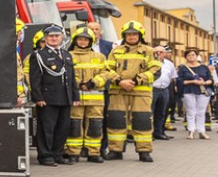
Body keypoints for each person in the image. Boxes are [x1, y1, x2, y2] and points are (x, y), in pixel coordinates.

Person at [104, 21, 160, 161]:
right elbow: (106, 70)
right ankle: (115, 150)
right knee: (116, 120)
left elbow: (155, 71)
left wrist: (135, 81)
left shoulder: (149, 51)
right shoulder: (115, 51)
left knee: (142, 122)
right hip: (118, 92)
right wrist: (119, 81)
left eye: (134, 34)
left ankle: (144, 151)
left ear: (140, 35)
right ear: (124, 35)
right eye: (128, 34)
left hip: (141, 93)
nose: (131, 37)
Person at [29, 25, 78, 166]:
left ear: (61, 37)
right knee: (47, 129)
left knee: (63, 128)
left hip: (65, 97)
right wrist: (38, 98)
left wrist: (75, 96)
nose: (54, 38)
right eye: (51, 36)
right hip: (48, 98)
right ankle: (45, 156)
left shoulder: (66, 54)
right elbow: (35, 79)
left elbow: (71, 78)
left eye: (57, 36)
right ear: (45, 38)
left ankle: (58, 154)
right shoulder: (39, 55)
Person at [65, 26, 109, 163]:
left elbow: (106, 73)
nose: (83, 42)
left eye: (86, 39)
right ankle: (73, 152)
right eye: (80, 39)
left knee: (95, 125)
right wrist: (77, 84)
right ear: (75, 40)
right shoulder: (68, 56)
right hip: (75, 98)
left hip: (95, 99)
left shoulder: (100, 57)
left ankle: (93, 152)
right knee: (74, 125)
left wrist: (93, 82)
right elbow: (66, 75)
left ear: (91, 41)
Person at [176, 49, 213, 139]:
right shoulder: (183, 68)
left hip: (203, 91)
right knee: (190, 111)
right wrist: (192, 81)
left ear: (196, 56)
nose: (191, 57)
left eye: (193, 55)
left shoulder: (204, 67)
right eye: (189, 55)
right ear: (186, 57)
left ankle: (201, 131)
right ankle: (191, 131)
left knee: (201, 112)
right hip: (188, 91)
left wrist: (203, 83)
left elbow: (210, 79)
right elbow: (180, 81)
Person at [150, 46, 177, 140]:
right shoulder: (149, 62)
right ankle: (149, 134)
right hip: (152, 89)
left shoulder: (169, 64)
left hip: (164, 89)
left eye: (161, 52)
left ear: (164, 53)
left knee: (162, 112)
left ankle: (159, 132)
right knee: (150, 112)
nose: (158, 54)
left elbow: (172, 77)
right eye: (156, 52)